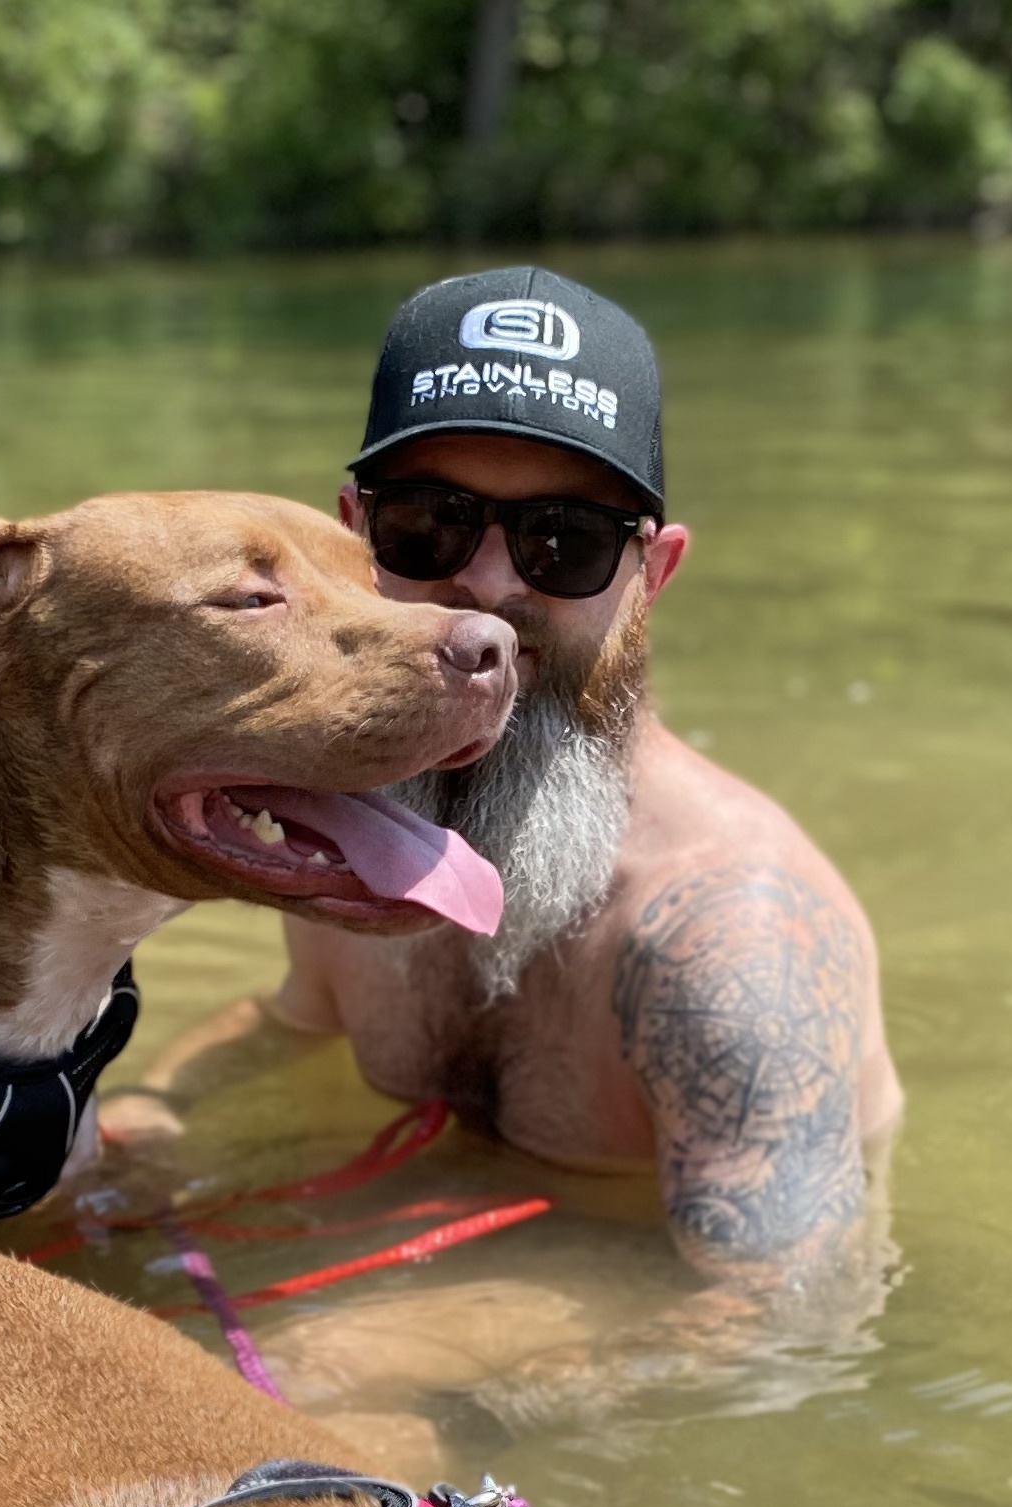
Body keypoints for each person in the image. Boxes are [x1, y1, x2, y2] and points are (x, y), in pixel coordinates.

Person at [89, 265, 901, 1414]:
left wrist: (456, 1420)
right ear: (351, 532)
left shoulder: (726, 935)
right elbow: (292, 1022)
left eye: (562, 545)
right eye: (431, 527)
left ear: (650, 574)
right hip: (434, 1227)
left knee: (297, 1378)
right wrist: (152, 1116)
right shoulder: (371, 831)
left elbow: (793, 1311)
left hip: (613, 1289)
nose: (485, 590)